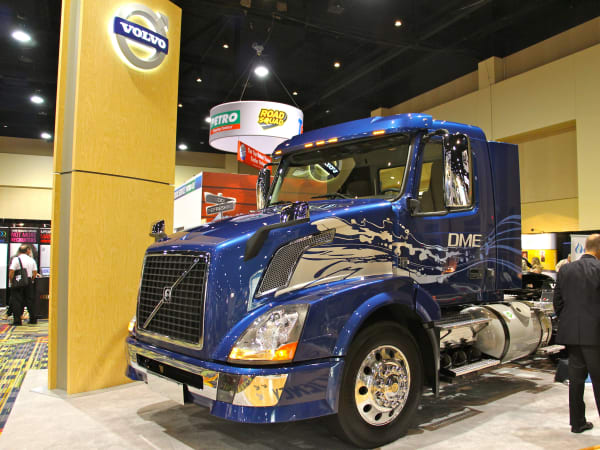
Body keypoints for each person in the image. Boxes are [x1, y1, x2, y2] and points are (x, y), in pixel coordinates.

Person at [553, 234, 600, 433]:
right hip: (596, 335)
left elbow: (557, 302)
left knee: (576, 381)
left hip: (572, 334)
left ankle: (577, 423)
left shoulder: (565, 269)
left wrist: (569, 321)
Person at [8, 245, 38, 325]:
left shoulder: (16, 259)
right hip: (29, 281)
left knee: (17, 301)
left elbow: (11, 271)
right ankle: (33, 319)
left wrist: (11, 281)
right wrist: (31, 280)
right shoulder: (31, 260)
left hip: (18, 281)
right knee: (30, 301)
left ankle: (17, 321)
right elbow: (35, 272)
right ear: (27, 250)